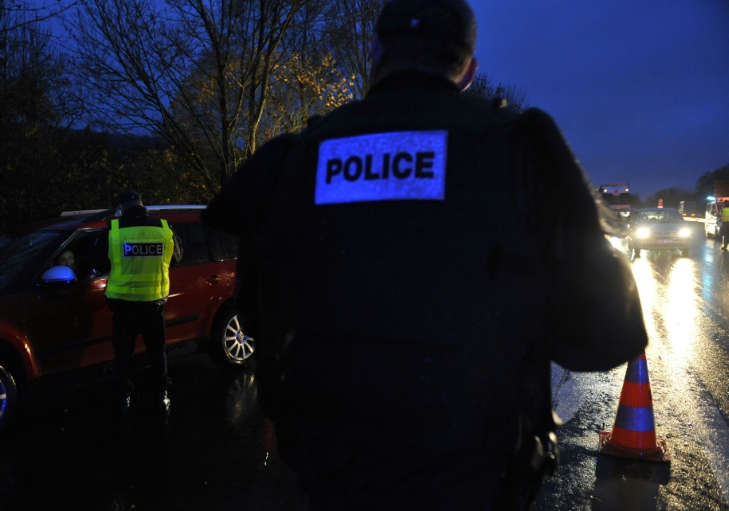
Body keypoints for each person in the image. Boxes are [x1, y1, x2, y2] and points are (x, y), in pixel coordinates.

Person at [202, 0, 648, 509]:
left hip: (333, 474)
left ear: (376, 55)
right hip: (473, 479)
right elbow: (606, 336)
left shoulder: (300, 155)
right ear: (468, 71)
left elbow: (260, 309)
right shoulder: (518, 151)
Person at [98, 190, 181, 422]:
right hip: (154, 303)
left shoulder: (113, 230)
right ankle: (162, 395)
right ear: (142, 205)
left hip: (123, 305)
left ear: (121, 208)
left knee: (123, 354)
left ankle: (123, 399)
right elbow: (176, 258)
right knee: (157, 351)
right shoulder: (164, 228)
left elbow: (99, 262)